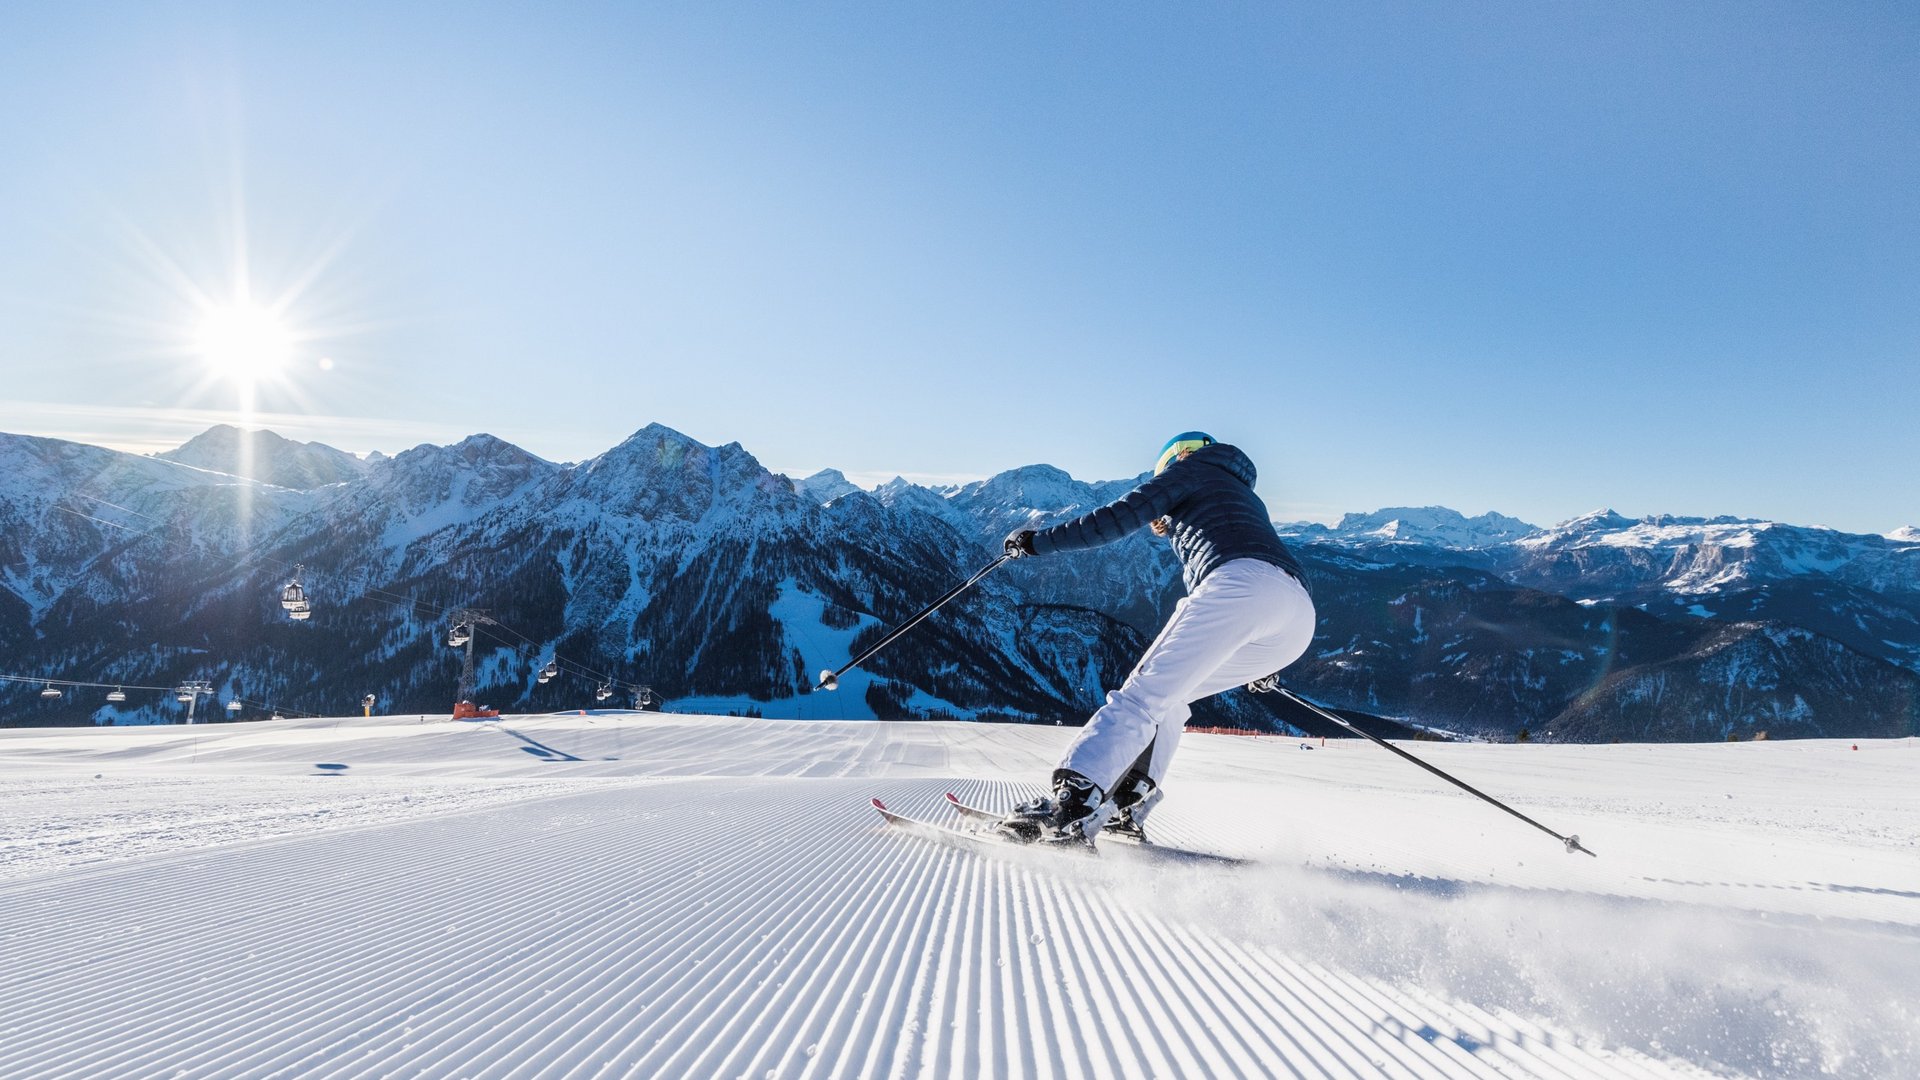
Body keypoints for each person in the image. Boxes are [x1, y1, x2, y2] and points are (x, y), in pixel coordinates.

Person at [996, 431, 1315, 846]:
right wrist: (1262, 656)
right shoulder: (1242, 493)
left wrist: (1038, 543)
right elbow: (1273, 579)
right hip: (1296, 615)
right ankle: (1125, 806)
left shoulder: (1194, 470)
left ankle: (1071, 806)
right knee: (1171, 697)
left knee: (1142, 697)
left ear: (1176, 460)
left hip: (1240, 586)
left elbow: (1112, 520)